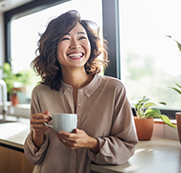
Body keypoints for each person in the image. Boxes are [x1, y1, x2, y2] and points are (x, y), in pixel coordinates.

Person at [24, 10, 138, 173]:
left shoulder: (113, 89)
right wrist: (37, 134)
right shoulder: (40, 92)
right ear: (53, 47)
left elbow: (126, 148)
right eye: (65, 38)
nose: (75, 45)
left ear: (91, 44)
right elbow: (34, 158)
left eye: (81, 37)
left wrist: (91, 143)